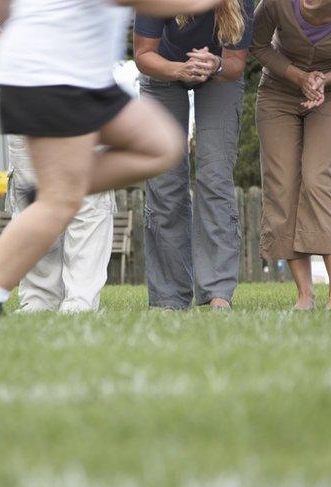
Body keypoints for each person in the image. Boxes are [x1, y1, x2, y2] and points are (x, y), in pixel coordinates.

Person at [0, 0, 222, 315]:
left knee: (162, 145)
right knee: (62, 202)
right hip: (51, 77)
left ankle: (49, 193)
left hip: (86, 77)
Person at [251, 0, 331, 311]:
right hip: (278, 93)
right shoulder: (275, 4)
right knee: (282, 186)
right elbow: (257, 45)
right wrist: (298, 76)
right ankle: (304, 295)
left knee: (317, 177)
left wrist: (327, 78)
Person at [0, 7, 116, 313]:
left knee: (89, 203)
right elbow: (2, 42)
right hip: (29, 102)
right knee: (33, 203)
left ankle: (81, 301)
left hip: (84, 100)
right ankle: (39, 298)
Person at [133, 0, 254, 311]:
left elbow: (236, 63)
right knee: (165, 181)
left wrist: (215, 65)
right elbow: (143, 54)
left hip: (219, 75)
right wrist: (180, 69)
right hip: (163, 69)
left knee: (214, 177)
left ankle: (218, 294)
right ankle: (169, 297)